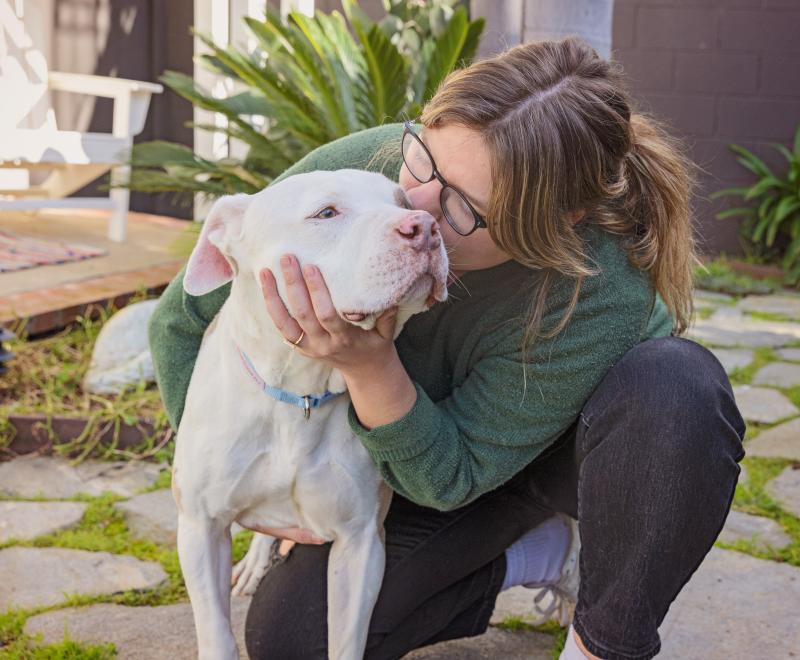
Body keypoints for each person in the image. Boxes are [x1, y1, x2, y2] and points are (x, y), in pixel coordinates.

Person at [149, 37, 746, 660]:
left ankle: (603, 637)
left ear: (558, 219)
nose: (419, 213)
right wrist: (222, 468)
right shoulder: (370, 172)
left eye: (463, 207)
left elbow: (454, 474)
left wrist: (370, 366)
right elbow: (179, 320)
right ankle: (535, 553)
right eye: (424, 163)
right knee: (294, 640)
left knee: (677, 387)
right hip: (421, 451)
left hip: (555, 460)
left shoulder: (601, 291)